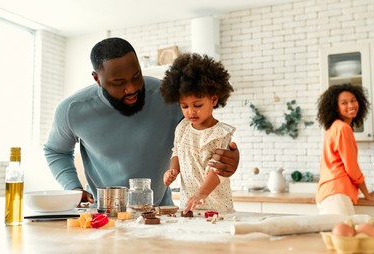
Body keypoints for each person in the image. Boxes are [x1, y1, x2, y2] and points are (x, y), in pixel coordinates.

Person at [43, 37, 240, 206]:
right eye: (118, 83)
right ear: (97, 78)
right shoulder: (72, 110)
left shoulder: (169, 97)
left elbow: (201, 136)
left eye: (136, 76)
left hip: (161, 213)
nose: (131, 88)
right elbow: (55, 151)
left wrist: (229, 158)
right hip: (105, 213)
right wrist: (73, 189)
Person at [160, 53, 235, 213]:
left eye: (198, 105)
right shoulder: (182, 127)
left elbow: (218, 170)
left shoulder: (220, 133)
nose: (191, 112)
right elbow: (177, 152)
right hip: (189, 205)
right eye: (184, 106)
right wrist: (173, 169)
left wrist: (201, 193)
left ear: (214, 100)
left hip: (217, 206)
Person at [316, 83, 374, 216]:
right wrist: (367, 194)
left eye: (353, 100)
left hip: (328, 193)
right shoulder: (343, 128)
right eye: (344, 103)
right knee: (346, 235)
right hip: (337, 194)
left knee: (337, 236)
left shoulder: (333, 127)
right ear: (336, 107)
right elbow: (351, 168)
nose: (351, 105)